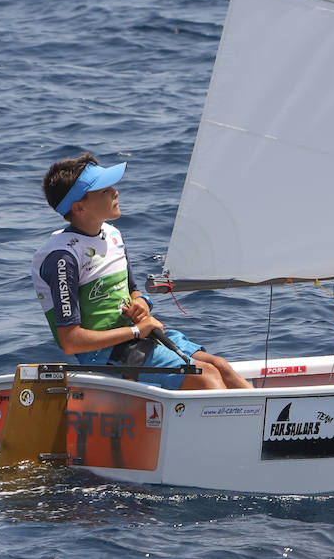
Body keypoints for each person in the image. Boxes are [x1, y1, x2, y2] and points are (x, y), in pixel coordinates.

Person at [32, 151, 251, 391]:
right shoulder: (63, 258)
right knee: (206, 377)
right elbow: (71, 342)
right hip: (103, 355)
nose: (115, 192)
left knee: (221, 366)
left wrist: (143, 303)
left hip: (137, 338)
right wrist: (136, 330)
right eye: (105, 190)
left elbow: (133, 291)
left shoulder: (113, 235)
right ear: (80, 208)